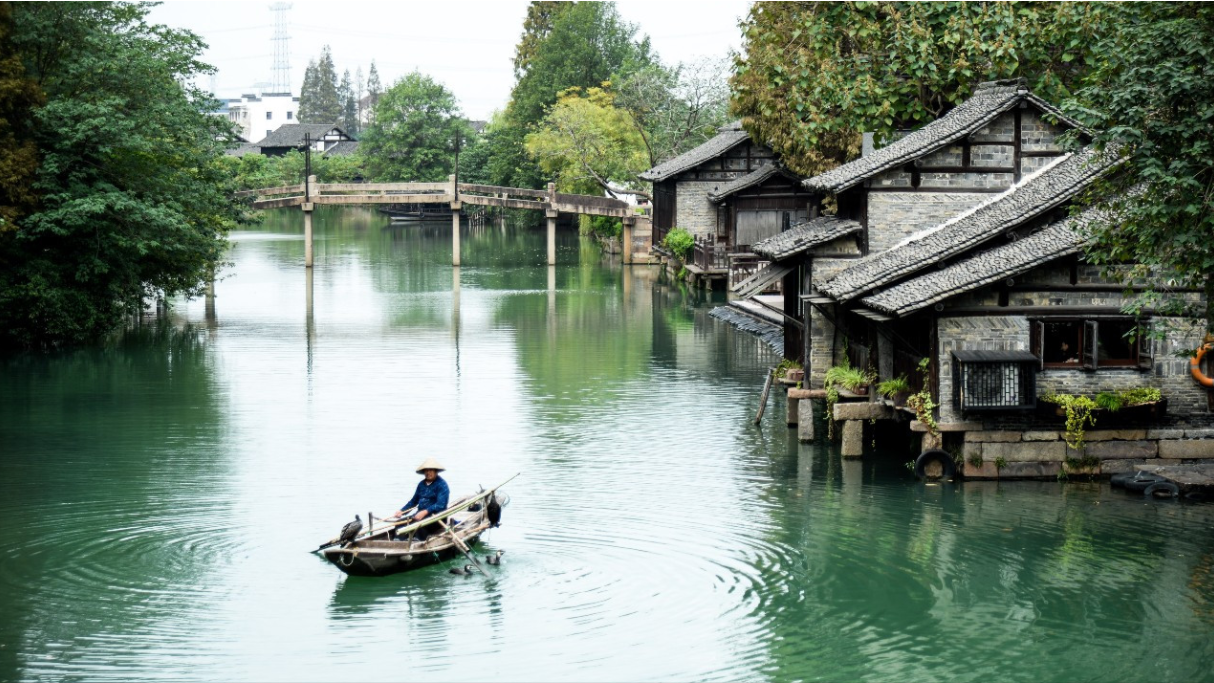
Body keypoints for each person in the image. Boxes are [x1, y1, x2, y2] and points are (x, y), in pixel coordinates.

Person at [386, 458, 449, 541]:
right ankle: (398, 542)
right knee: (399, 524)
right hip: (420, 516)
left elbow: (440, 505)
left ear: (436, 471)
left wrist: (425, 511)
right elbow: (413, 501)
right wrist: (402, 511)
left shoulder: (442, 485)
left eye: (431, 470)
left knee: (418, 526)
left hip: (437, 518)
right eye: (426, 470)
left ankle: (418, 542)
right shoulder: (421, 484)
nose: (428, 473)